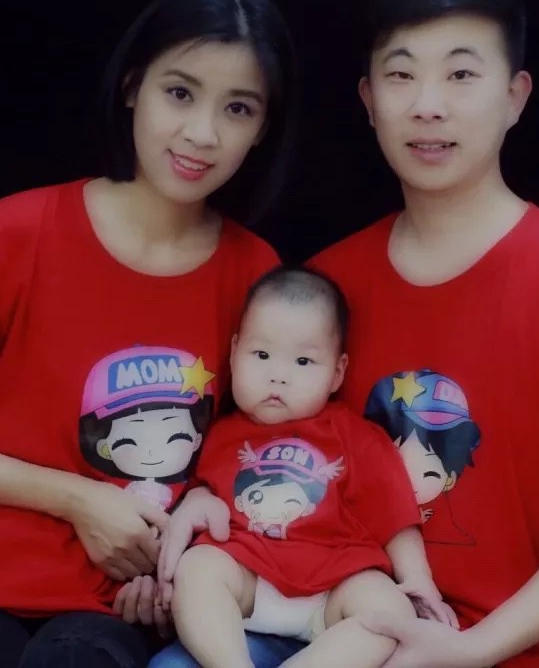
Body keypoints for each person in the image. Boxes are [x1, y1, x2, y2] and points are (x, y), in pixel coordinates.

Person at [0, 0, 296, 668]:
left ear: (262, 129)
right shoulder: (13, 231)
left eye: (238, 108)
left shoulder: (256, 273)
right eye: (179, 93)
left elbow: (257, 463)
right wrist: (77, 499)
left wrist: (186, 560)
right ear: (131, 87)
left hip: (122, 603)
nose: (202, 133)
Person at [307, 0, 539, 667]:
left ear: (516, 96)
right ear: (368, 99)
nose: (428, 105)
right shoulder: (322, 289)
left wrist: (473, 650)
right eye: (401, 75)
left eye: (461, 74)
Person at [157, 267, 455, 668]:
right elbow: (205, 491)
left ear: (337, 372)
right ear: (234, 351)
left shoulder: (356, 437)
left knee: (390, 612)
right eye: (261, 355)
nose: (277, 376)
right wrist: (200, 498)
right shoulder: (221, 432)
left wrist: (417, 578)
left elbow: (395, 518)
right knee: (197, 568)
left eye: (303, 361)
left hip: (335, 586)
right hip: (248, 575)